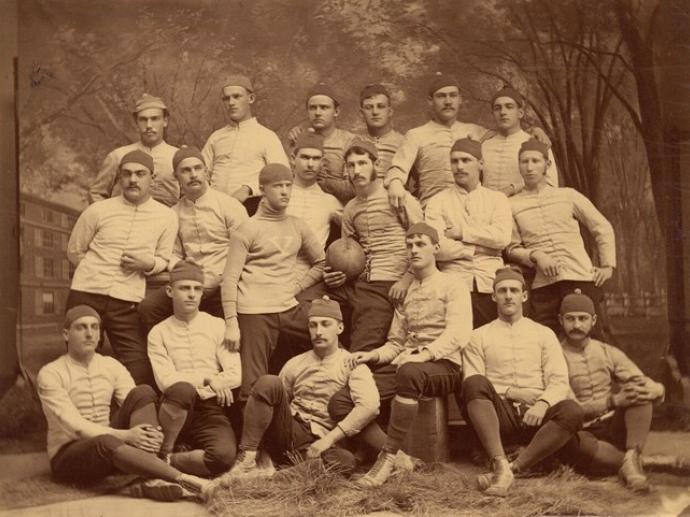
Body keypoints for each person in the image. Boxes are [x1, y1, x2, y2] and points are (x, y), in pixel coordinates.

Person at [332, 222, 472, 487]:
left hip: (444, 366)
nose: (414, 249)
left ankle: (385, 460)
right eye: (409, 245)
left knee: (408, 371)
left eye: (421, 244)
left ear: (436, 248)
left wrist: (424, 354)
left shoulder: (453, 284)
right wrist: (372, 355)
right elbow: (396, 343)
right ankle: (401, 459)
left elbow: (459, 334)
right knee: (343, 399)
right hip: (407, 365)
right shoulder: (407, 291)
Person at [37, 305, 210, 501]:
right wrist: (127, 435)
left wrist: (146, 434)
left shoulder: (110, 365)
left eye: (94, 327)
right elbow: (76, 427)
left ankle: (149, 476)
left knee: (142, 392)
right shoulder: (51, 373)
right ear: (66, 334)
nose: (89, 333)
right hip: (69, 456)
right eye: (81, 327)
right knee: (106, 441)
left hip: (111, 445)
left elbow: (136, 402)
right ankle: (188, 481)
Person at [462, 267, 583, 497]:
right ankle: (500, 460)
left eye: (514, 290)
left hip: (538, 418)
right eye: (502, 290)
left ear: (524, 296)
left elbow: (559, 380)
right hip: (499, 417)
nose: (508, 295)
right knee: (474, 383)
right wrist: (512, 392)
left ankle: (510, 470)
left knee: (572, 410)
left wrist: (543, 403)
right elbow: (472, 378)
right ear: (493, 296)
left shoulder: (543, 334)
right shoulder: (478, 336)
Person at [226, 296, 379, 478]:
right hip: (290, 432)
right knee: (269, 382)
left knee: (345, 461)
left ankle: (273, 476)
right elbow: (276, 401)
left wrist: (328, 440)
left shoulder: (352, 364)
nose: (318, 331)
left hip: (323, 442)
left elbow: (369, 406)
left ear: (340, 328)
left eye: (325, 324)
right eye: (313, 325)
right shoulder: (296, 363)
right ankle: (249, 458)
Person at [67, 150, 178, 387]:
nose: (133, 180)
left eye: (140, 174)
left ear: (152, 178)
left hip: (127, 300)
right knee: (80, 361)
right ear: (119, 178)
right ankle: (82, 418)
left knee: (138, 368)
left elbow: (164, 258)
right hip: (86, 294)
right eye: (126, 174)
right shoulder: (98, 210)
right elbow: (75, 251)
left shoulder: (166, 216)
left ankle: (128, 415)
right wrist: (95, 272)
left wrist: (147, 264)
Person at [221, 163, 325, 401]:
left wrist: (296, 287)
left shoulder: (297, 225)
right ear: (262, 189)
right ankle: (251, 438)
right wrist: (231, 324)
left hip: (289, 307)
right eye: (278, 186)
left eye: (288, 186)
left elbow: (321, 262)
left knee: (330, 334)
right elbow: (229, 279)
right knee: (252, 386)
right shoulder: (247, 228)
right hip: (254, 312)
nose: (285, 191)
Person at [506, 140, 616, 336]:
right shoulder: (511, 205)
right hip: (544, 286)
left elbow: (602, 227)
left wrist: (608, 266)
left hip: (579, 277)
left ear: (547, 165)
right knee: (548, 342)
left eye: (535, 161)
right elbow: (511, 248)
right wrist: (536, 255)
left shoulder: (568, 195)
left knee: (589, 340)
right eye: (524, 162)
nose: (530, 167)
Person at [558, 292, 664, 492]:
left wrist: (657, 389)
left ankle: (631, 458)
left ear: (593, 320)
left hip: (612, 427)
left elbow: (642, 381)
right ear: (561, 321)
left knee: (637, 392)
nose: (576, 325)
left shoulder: (606, 351)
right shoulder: (554, 356)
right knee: (571, 442)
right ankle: (631, 465)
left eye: (583, 318)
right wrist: (613, 401)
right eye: (570, 319)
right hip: (581, 431)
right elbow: (570, 408)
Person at [325, 139, 423, 353]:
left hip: (392, 280)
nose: (356, 170)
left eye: (362, 163)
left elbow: (425, 243)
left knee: (364, 341)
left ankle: (356, 365)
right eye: (351, 165)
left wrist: (406, 280)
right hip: (362, 282)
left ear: (376, 165)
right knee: (320, 308)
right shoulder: (351, 208)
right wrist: (339, 275)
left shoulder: (399, 198)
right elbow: (348, 250)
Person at [137, 146, 248, 331]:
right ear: (176, 176)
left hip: (227, 284)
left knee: (233, 324)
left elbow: (246, 250)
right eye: (186, 170)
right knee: (148, 309)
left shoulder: (229, 206)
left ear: (206, 171)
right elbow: (171, 253)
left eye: (197, 168)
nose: (193, 175)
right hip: (190, 284)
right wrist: (181, 266)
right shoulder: (173, 214)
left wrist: (221, 279)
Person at [147, 261, 241, 477]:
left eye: (197, 289)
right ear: (170, 291)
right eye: (184, 288)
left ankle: (169, 461)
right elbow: (166, 381)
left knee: (223, 457)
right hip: (174, 408)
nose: (192, 294)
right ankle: (166, 449)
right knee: (182, 389)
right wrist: (210, 379)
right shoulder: (158, 332)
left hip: (209, 408)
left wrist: (214, 384)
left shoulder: (217, 326)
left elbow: (235, 375)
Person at [425, 138, 512, 328]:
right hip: (453, 285)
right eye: (454, 161)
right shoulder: (437, 201)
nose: (459, 166)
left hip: (490, 284)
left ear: (481, 163)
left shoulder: (497, 199)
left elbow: (502, 237)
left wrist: (462, 232)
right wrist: (478, 249)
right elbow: (436, 249)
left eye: (466, 160)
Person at [384, 74, 486, 208]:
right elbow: (398, 167)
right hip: (433, 209)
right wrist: (395, 182)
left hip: (473, 208)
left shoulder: (478, 132)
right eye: (441, 96)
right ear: (430, 101)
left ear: (460, 99)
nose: (448, 101)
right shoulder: (416, 135)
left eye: (453, 95)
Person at [202, 74, 289, 215]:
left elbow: (281, 175)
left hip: (252, 207)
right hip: (216, 209)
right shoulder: (216, 137)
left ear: (251, 98)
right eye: (226, 98)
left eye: (237, 96)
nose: (231, 102)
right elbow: (202, 172)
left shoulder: (267, 136)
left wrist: (248, 188)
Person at [89, 94, 179, 207]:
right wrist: (109, 219)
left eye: (154, 119)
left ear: (165, 121)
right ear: (136, 122)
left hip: (166, 222)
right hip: (124, 221)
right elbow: (96, 193)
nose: (149, 125)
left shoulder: (177, 157)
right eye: (143, 119)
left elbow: (189, 200)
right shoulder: (118, 155)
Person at [285, 132, 343, 296]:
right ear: (292, 159)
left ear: (322, 163)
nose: (310, 164)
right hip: (275, 271)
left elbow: (354, 228)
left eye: (316, 159)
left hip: (310, 277)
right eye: (304, 157)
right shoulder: (280, 195)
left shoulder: (330, 202)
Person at [481, 85, 558, 196]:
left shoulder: (536, 143)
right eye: (497, 108)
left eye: (509, 107)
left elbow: (551, 185)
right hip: (486, 209)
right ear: (493, 113)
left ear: (520, 113)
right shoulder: (485, 144)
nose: (503, 112)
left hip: (524, 208)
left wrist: (513, 188)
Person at [288, 84, 358, 204]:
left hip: (337, 208)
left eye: (324, 107)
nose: (318, 113)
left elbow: (354, 188)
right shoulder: (299, 138)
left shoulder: (349, 141)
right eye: (313, 108)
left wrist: (323, 181)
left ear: (336, 111)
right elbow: (289, 180)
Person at [357, 84, 404, 179]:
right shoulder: (355, 142)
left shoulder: (404, 142)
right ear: (362, 114)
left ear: (390, 111)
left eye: (380, 106)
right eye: (369, 107)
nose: (375, 112)